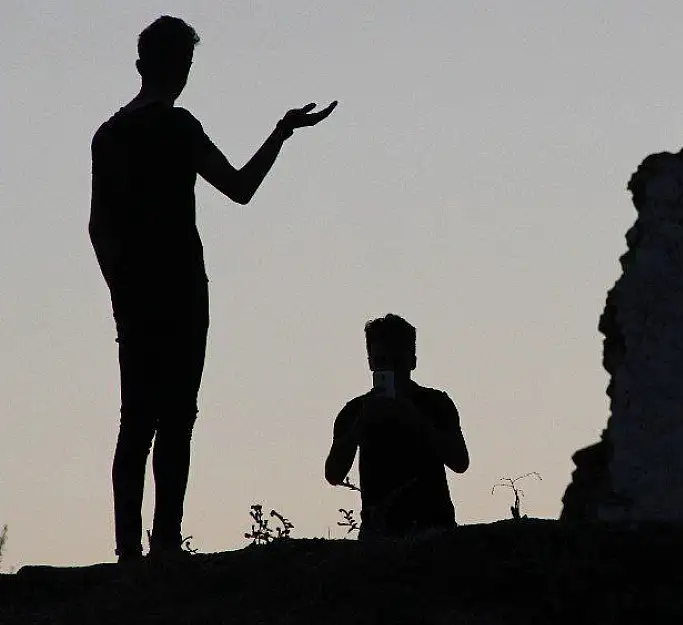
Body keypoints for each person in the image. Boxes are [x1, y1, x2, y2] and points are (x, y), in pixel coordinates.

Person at [89, 15, 337, 562]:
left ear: (140, 66)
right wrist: (281, 133)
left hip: (138, 299)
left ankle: (129, 548)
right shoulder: (179, 129)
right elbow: (241, 188)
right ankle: (166, 544)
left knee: (137, 419)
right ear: (181, 67)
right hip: (181, 292)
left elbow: (97, 228)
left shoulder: (108, 136)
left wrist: (120, 296)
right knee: (175, 418)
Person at [325, 314, 470, 538]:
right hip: (380, 533)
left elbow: (460, 462)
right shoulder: (356, 411)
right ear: (370, 362)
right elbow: (333, 474)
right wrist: (360, 426)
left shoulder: (435, 404)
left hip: (434, 530)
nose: (390, 369)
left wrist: (417, 422)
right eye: (382, 361)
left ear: (412, 361)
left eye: (397, 361)